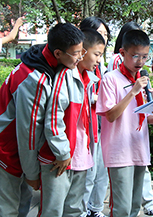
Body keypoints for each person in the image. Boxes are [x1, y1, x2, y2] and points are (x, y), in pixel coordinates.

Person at [0, 22, 85, 217]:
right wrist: (31, 175)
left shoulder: (41, 59)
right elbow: (28, 132)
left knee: (21, 205)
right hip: (7, 147)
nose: (81, 57)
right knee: (8, 208)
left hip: (17, 149)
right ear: (57, 53)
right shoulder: (35, 80)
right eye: (76, 53)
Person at [96, 29, 153, 217]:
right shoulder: (111, 79)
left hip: (138, 148)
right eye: (135, 56)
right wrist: (133, 92)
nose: (140, 62)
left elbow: (139, 116)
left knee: (135, 207)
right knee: (121, 208)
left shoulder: (142, 81)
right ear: (122, 53)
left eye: (145, 56)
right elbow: (111, 115)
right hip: (119, 151)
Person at [37, 29, 105, 217]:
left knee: (75, 209)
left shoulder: (90, 80)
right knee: (53, 210)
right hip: (60, 159)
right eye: (97, 54)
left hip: (80, 156)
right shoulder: (65, 76)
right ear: (82, 52)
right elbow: (53, 118)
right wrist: (63, 152)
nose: (99, 60)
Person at [79, 17, 111, 217]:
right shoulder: (78, 66)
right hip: (86, 129)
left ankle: (95, 209)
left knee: (101, 173)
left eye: (106, 35)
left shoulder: (101, 64)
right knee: (87, 175)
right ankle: (82, 210)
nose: (104, 38)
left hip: (101, 126)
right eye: (101, 34)